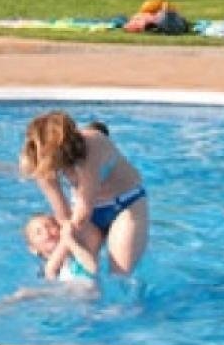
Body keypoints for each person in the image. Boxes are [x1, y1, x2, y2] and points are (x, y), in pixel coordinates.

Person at [19, 111, 148, 276]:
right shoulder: (37, 161)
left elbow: (81, 217)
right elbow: (63, 216)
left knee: (119, 277)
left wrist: (52, 264)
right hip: (87, 212)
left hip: (125, 205)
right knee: (77, 272)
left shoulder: (92, 146)